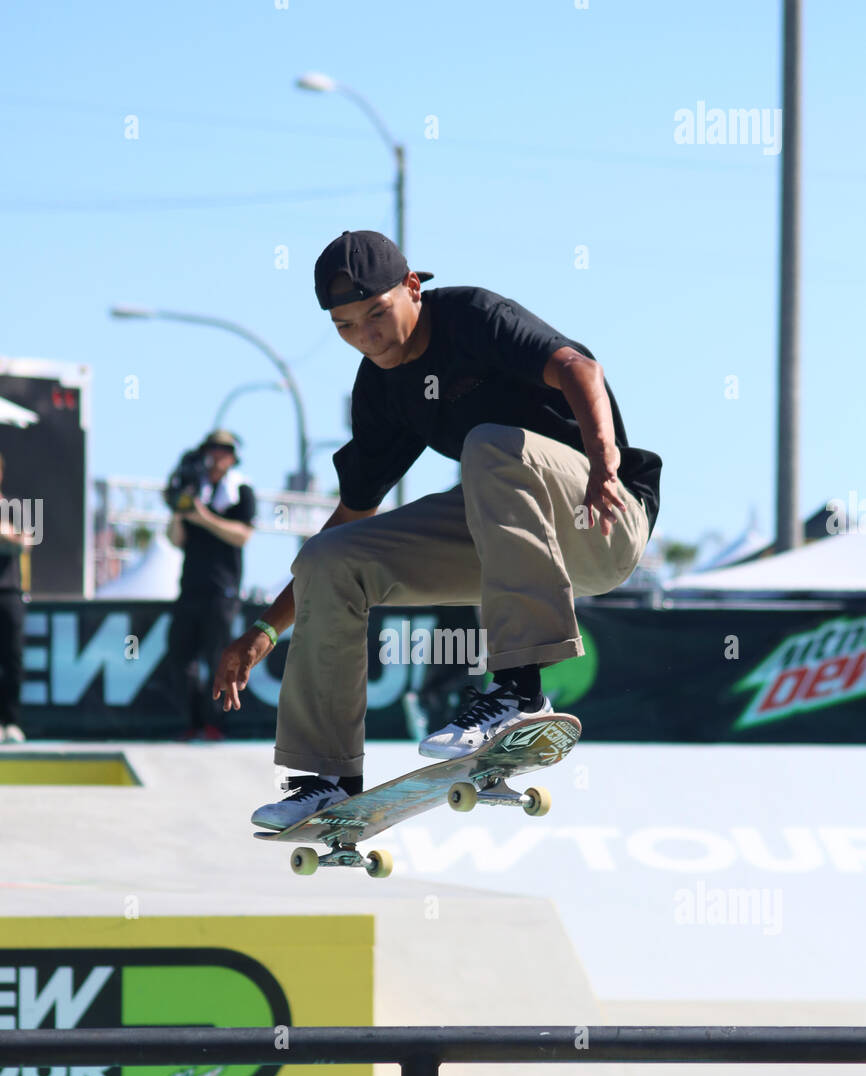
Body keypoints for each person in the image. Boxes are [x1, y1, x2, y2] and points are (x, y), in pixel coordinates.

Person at [212, 229, 662, 828]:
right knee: (330, 558)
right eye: (347, 327)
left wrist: (605, 464)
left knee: (490, 446)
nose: (368, 338)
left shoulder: (473, 317)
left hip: (600, 518)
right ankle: (326, 780)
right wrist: (266, 630)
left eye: (377, 314)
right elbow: (352, 512)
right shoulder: (380, 387)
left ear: (413, 287)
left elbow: (579, 367)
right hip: (511, 533)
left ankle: (519, 690)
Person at [166, 429, 256, 740]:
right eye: (212, 450)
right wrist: (180, 509)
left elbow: (243, 535)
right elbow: (175, 540)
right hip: (189, 588)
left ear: (232, 456)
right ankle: (191, 722)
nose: (216, 456)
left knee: (219, 657)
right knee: (181, 656)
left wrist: (204, 518)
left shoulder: (241, 491)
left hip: (223, 591)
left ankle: (217, 724)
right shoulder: (194, 489)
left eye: (223, 450)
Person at [0, 452, 29, 744]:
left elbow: (27, 544)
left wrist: (6, 535)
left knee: (12, 658)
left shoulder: (13, 509)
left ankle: (11, 722)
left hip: (8, 593)